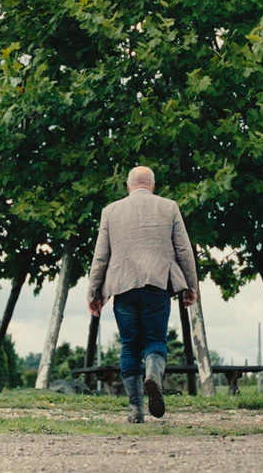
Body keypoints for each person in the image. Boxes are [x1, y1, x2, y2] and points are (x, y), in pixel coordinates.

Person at [86, 165, 199, 423]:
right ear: (153, 185)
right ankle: (152, 373)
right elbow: (184, 249)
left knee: (129, 346)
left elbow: (101, 256)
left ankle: (136, 409)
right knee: (155, 341)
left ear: (128, 185)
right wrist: (191, 286)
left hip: (123, 286)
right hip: (157, 284)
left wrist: (94, 292)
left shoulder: (110, 211)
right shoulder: (169, 207)